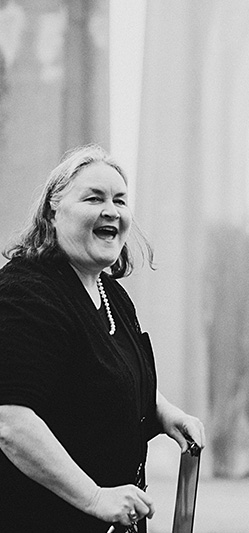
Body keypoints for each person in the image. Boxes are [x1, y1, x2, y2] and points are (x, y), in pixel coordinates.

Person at [0, 144, 206, 532]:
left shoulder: (111, 295)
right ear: (52, 210)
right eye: (94, 198)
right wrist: (95, 496)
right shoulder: (25, 293)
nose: (111, 210)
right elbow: (10, 419)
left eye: (120, 200)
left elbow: (113, 372)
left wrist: (165, 413)